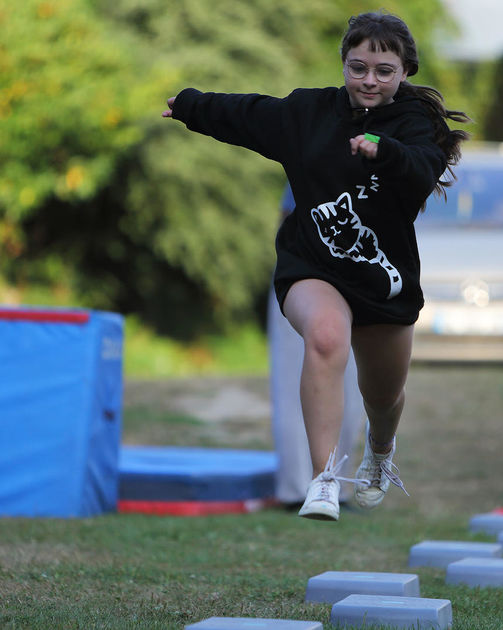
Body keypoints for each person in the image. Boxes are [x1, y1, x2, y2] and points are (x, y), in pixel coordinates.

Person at [163, 11, 469, 521]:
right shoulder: (309, 111)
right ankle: (324, 477)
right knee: (325, 337)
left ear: (404, 72)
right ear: (344, 64)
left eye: (383, 70)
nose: (369, 80)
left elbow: (421, 166)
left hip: (382, 278)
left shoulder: (416, 124)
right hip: (312, 262)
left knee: (383, 396)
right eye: (358, 67)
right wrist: (193, 106)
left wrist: (384, 149)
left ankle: (381, 450)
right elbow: (250, 114)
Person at [268, 185, 366, 506]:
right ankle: (300, 489)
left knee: (352, 385)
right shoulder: (315, 140)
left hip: (357, 270)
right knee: (298, 377)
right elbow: (291, 216)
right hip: (306, 270)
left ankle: (335, 487)